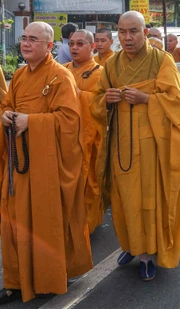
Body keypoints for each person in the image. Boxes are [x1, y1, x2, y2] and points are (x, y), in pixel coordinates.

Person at [0, 22, 92, 304]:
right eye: (24, 38)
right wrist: (8, 115)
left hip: (46, 166)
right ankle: (15, 280)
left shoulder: (60, 76)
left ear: (49, 46)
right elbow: (7, 104)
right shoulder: (21, 74)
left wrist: (32, 122)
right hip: (20, 163)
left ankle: (47, 278)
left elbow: (71, 121)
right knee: (14, 224)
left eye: (33, 39)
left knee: (45, 222)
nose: (26, 43)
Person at [90, 11, 180, 281]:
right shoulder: (111, 65)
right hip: (121, 143)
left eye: (133, 31)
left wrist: (148, 98)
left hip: (151, 144)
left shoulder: (161, 60)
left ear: (145, 33)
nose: (127, 37)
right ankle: (131, 245)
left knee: (148, 199)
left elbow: (179, 105)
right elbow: (96, 103)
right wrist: (106, 100)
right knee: (124, 199)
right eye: (122, 32)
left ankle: (147, 252)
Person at [63, 30, 105, 234]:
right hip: (64, 137)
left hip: (90, 135)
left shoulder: (100, 73)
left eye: (80, 44)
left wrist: (80, 95)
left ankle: (88, 223)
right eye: (71, 44)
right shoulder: (61, 70)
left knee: (89, 179)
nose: (74, 48)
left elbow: (103, 104)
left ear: (92, 46)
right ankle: (68, 221)